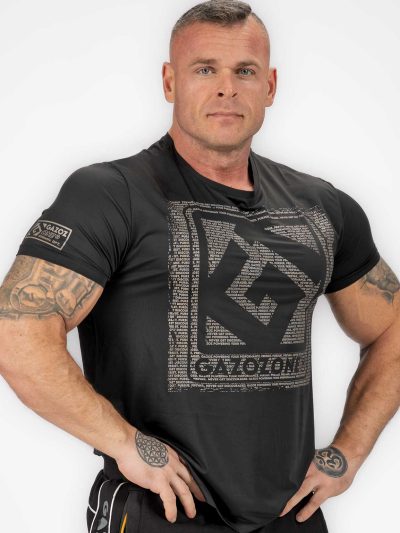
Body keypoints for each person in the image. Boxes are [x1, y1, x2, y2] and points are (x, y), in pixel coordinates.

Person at [0, 1, 399, 532]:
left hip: (292, 514)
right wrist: (125, 444)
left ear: (271, 86)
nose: (227, 88)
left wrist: (348, 453)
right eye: (205, 69)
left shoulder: (323, 206)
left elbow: (392, 326)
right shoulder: (111, 195)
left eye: (245, 71)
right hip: (161, 509)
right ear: (170, 82)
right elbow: (17, 331)